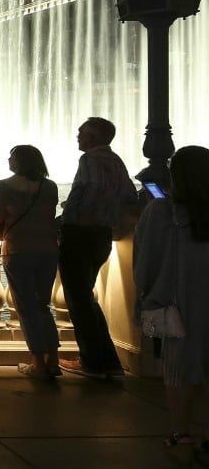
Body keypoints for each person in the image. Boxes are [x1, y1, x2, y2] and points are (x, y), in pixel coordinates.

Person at [134, 145, 209, 458]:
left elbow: (145, 262)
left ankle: (182, 436)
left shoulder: (163, 211)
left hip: (180, 307)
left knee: (179, 370)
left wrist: (148, 295)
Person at [58, 116, 136, 379]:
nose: (77, 135)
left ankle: (93, 363)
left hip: (80, 235)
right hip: (102, 236)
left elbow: (90, 190)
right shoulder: (117, 162)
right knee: (85, 298)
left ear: (93, 137)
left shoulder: (89, 160)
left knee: (78, 300)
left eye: (82, 132)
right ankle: (107, 361)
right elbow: (130, 197)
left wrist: (72, 213)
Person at [0, 145, 61, 379]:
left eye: (12, 157)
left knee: (26, 307)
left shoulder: (6, 186)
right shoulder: (49, 186)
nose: (8, 160)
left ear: (19, 162)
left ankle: (37, 362)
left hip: (18, 249)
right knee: (42, 306)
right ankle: (53, 360)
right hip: (48, 249)